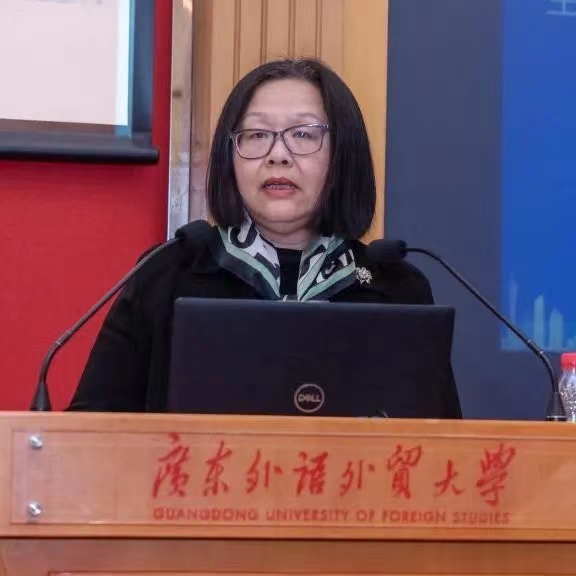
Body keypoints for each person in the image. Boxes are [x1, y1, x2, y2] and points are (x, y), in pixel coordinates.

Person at [68, 58, 461, 416]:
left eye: (303, 134)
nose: (278, 155)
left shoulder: (397, 289)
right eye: (256, 135)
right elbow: (90, 432)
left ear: (344, 154)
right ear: (230, 155)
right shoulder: (166, 274)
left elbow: (447, 449)